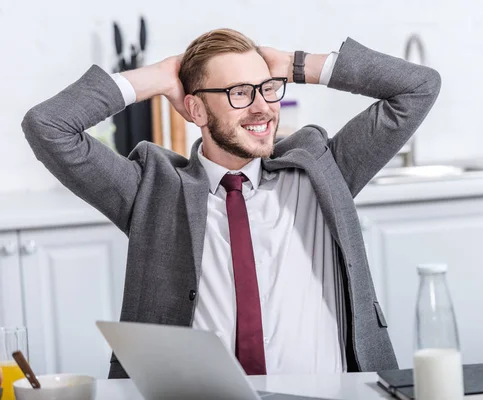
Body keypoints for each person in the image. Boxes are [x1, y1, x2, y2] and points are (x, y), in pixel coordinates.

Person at [22, 28, 441, 378]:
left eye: (267, 89)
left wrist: (295, 64)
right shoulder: (152, 190)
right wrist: (160, 75)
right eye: (240, 91)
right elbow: (48, 126)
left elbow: (418, 87)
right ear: (196, 109)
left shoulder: (321, 170)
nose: (262, 107)